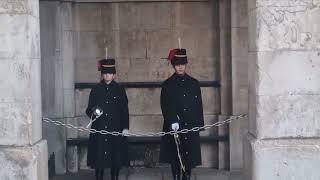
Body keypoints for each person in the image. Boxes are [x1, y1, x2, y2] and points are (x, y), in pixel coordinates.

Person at [159, 48, 204, 180]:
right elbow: (165, 105)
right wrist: (172, 120)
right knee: (175, 157)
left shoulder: (194, 83)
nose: (180, 67)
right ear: (174, 66)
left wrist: (199, 125)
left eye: (182, 64)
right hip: (175, 126)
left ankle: (187, 177)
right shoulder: (167, 84)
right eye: (177, 65)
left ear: (185, 65)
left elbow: (198, 106)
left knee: (189, 158)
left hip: (190, 126)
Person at [85, 58, 129, 180]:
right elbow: (88, 109)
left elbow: (124, 111)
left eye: (109, 73)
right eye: (104, 73)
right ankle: (99, 176)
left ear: (114, 74)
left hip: (115, 129)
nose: (107, 75)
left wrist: (125, 127)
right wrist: (94, 111)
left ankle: (114, 176)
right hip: (99, 129)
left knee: (116, 159)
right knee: (99, 161)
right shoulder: (96, 89)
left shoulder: (120, 90)